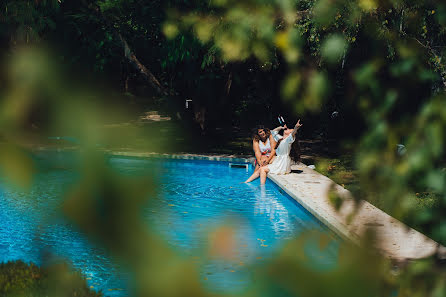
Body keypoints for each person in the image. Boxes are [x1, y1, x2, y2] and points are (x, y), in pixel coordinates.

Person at [259, 120, 303, 185]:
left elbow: (293, 133)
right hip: (279, 162)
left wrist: (296, 127)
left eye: (290, 130)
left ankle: (262, 187)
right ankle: (261, 185)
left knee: (262, 169)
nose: (287, 129)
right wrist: (281, 127)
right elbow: (273, 132)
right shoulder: (280, 139)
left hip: (282, 164)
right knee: (262, 167)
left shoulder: (288, 140)